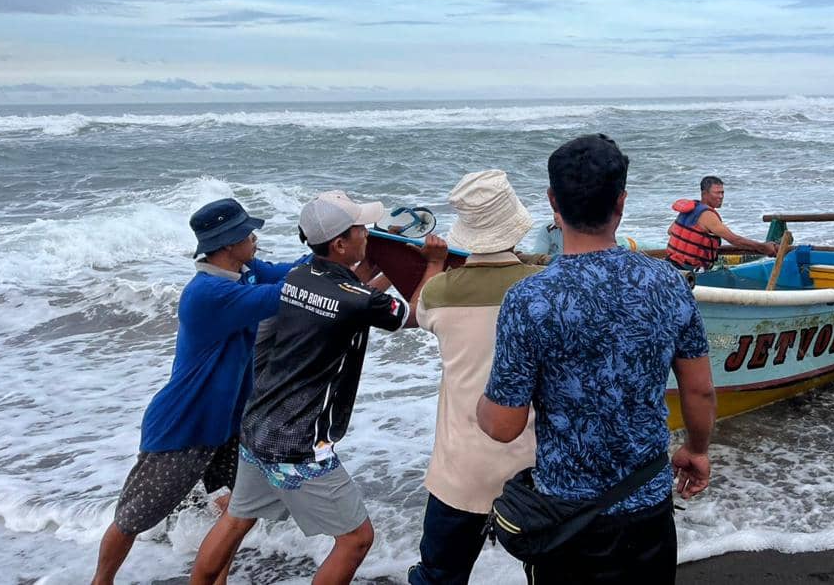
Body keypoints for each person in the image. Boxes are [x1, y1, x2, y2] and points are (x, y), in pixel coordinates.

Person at [478, 134, 716, 583]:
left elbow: (503, 426)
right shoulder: (667, 282)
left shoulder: (529, 299)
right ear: (621, 201)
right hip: (647, 505)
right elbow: (700, 389)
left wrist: (481, 404)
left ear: (553, 201)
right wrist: (697, 450)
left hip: (567, 517)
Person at [190, 191, 443, 585]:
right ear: (339, 244)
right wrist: (435, 264)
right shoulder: (354, 299)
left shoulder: (297, 276)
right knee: (356, 539)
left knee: (237, 518)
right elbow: (416, 313)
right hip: (298, 444)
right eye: (360, 229)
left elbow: (351, 294)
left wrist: (381, 262)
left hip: (258, 427)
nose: (366, 232)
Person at [91, 198, 306, 585]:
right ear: (228, 244)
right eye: (248, 234)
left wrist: (348, 249)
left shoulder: (245, 272)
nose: (255, 239)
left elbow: (292, 272)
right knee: (133, 518)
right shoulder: (208, 293)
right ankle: (100, 582)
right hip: (184, 426)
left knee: (235, 510)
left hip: (225, 424)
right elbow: (286, 294)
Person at [407, 170, 541, 585]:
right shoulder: (541, 288)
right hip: (533, 464)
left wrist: (434, 264)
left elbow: (415, 312)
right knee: (549, 571)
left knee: (440, 575)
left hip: (460, 470)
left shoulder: (439, 292)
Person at [665, 175, 776, 270]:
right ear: (704, 194)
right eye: (717, 193)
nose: (721, 197)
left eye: (722, 193)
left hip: (669, 265)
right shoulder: (707, 215)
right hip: (688, 270)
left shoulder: (690, 208)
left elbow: (671, 231)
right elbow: (735, 240)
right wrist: (764, 247)